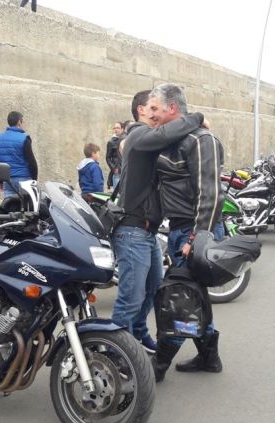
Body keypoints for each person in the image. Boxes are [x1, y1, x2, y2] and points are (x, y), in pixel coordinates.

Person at [112, 90, 206, 354]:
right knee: (130, 299)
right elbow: (166, 133)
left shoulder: (146, 140)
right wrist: (198, 117)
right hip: (132, 231)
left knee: (153, 290)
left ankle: (138, 335)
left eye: (158, 109)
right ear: (140, 110)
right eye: (151, 108)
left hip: (147, 233)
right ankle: (114, 353)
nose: (155, 114)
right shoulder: (138, 134)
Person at [147, 83, 225, 382]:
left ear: (173, 108)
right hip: (179, 230)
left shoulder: (201, 140)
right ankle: (209, 357)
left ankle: (159, 364)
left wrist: (197, 237)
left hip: (195, 231)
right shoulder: (170, 140)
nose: (150, 114)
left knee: (179, 298)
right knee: (195, 295)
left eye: (155, 108)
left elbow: (211, 194)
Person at [0, 111, 38, 198]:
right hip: (24, 179)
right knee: (26, 205)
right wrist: (34, 179)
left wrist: (0, 181)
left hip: (7, 180)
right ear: (19, 122)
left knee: (11, 204)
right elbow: (31, 161)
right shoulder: (24, 138)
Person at [106, 122, 123, 189]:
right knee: (116, 193)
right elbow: (108, 157)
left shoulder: (126, 139)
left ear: (122, 129)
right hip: (117, 171)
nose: (116, 129)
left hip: (125, 170)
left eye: (118, 128)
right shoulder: (111, 142)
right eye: (115, 128)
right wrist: (113, 168)